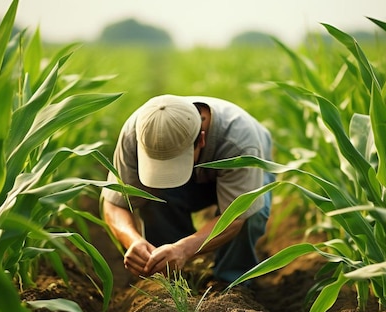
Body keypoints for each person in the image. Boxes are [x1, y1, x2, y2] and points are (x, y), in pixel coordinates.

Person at [100, 94, 274, 283]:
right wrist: (133, 240)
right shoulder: (135, 133)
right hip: (195, 177)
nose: (166, 174)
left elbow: (235, 218)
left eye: (173, 164)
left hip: (244, 173)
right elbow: (114, 203)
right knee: (152, 195)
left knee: (252, 213)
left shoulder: (239, 141)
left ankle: (232, 281)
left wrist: (185, 248)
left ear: (201, 140)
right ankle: (170, 274)